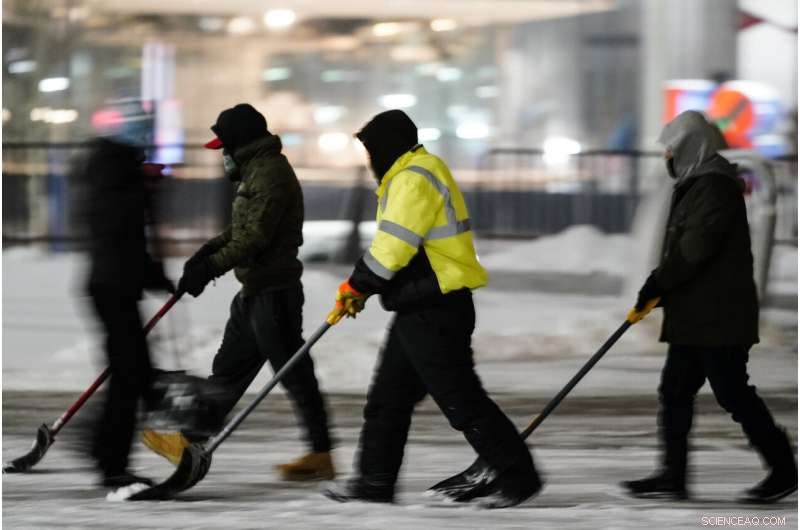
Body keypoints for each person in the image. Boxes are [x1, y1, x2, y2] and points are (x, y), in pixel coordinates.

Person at [322, 110, 541, 508]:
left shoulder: (412, 178)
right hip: (418, 304)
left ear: (386, 148)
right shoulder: (417, 171)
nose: (369, 160)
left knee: (460, 398)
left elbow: (393, 247)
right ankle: (374, 483)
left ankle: (516, 474)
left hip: (436, 307)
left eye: (371, 150)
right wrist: (364, 289)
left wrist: (357, 285)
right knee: (388, 399)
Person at [141, 104, 335, 481]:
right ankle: (188, 440)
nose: (223, 156)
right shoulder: (257, 171)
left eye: (225, 147)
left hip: (274, 293)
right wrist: (206, 251)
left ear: (241, 141)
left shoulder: (271, 174)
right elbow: (238, 230)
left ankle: (321, 453)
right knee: (227, 374)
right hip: (254, 292)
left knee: (294, 374)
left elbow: (254, 238)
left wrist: (211, 268)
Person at [622, 110, 797, 504]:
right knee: (675, 391)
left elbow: (695, 249)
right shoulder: (697, 183)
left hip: (718, 315)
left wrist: (660, 281)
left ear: (690, 148)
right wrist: (664, 287)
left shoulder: (714, 187)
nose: (667, 156)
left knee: (733, 393)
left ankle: (784, 469)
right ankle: (672, 475)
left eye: (672, 149)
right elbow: (689, 252)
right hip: (696, 314)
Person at [83, 134, 175, 489]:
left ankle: (104, 450)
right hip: (114, 289)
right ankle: (109, 460)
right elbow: (127, 242)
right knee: (130, 376)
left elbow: (132, 244)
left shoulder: (110, 190)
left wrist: (156, 277)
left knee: (133, 372)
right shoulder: (117, 197)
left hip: (110, 287)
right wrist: (148, 189)